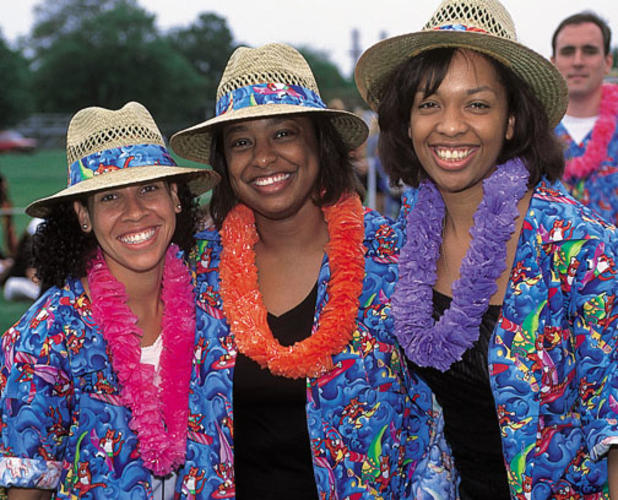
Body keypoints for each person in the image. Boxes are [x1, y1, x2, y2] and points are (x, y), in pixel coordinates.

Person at [169, 42, 457, 499]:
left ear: (320, 144)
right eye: (242, 141)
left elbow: (442, 420)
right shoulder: (194, 272)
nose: (263, 157)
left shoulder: (394, 258)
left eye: (284, 133)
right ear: (224, 163)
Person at [355, 0, 618, 498]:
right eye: (429, 103)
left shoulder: (583, 250)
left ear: (513, 121)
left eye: (476, 104)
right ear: (407, 124)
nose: (450, 126)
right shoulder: (402, 240)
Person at [0, 102, 219, 498]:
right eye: (110, 197)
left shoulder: (217, 299)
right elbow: (28, 489)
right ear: (83, 215)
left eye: (149, 188)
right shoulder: (46, 336)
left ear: (176, 197)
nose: (134, 212)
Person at [551, 12, 618, 225]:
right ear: (553, 62)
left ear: (607, 62)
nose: (578, 61)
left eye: (589, 51)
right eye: (568, 51)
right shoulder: (528, 133)